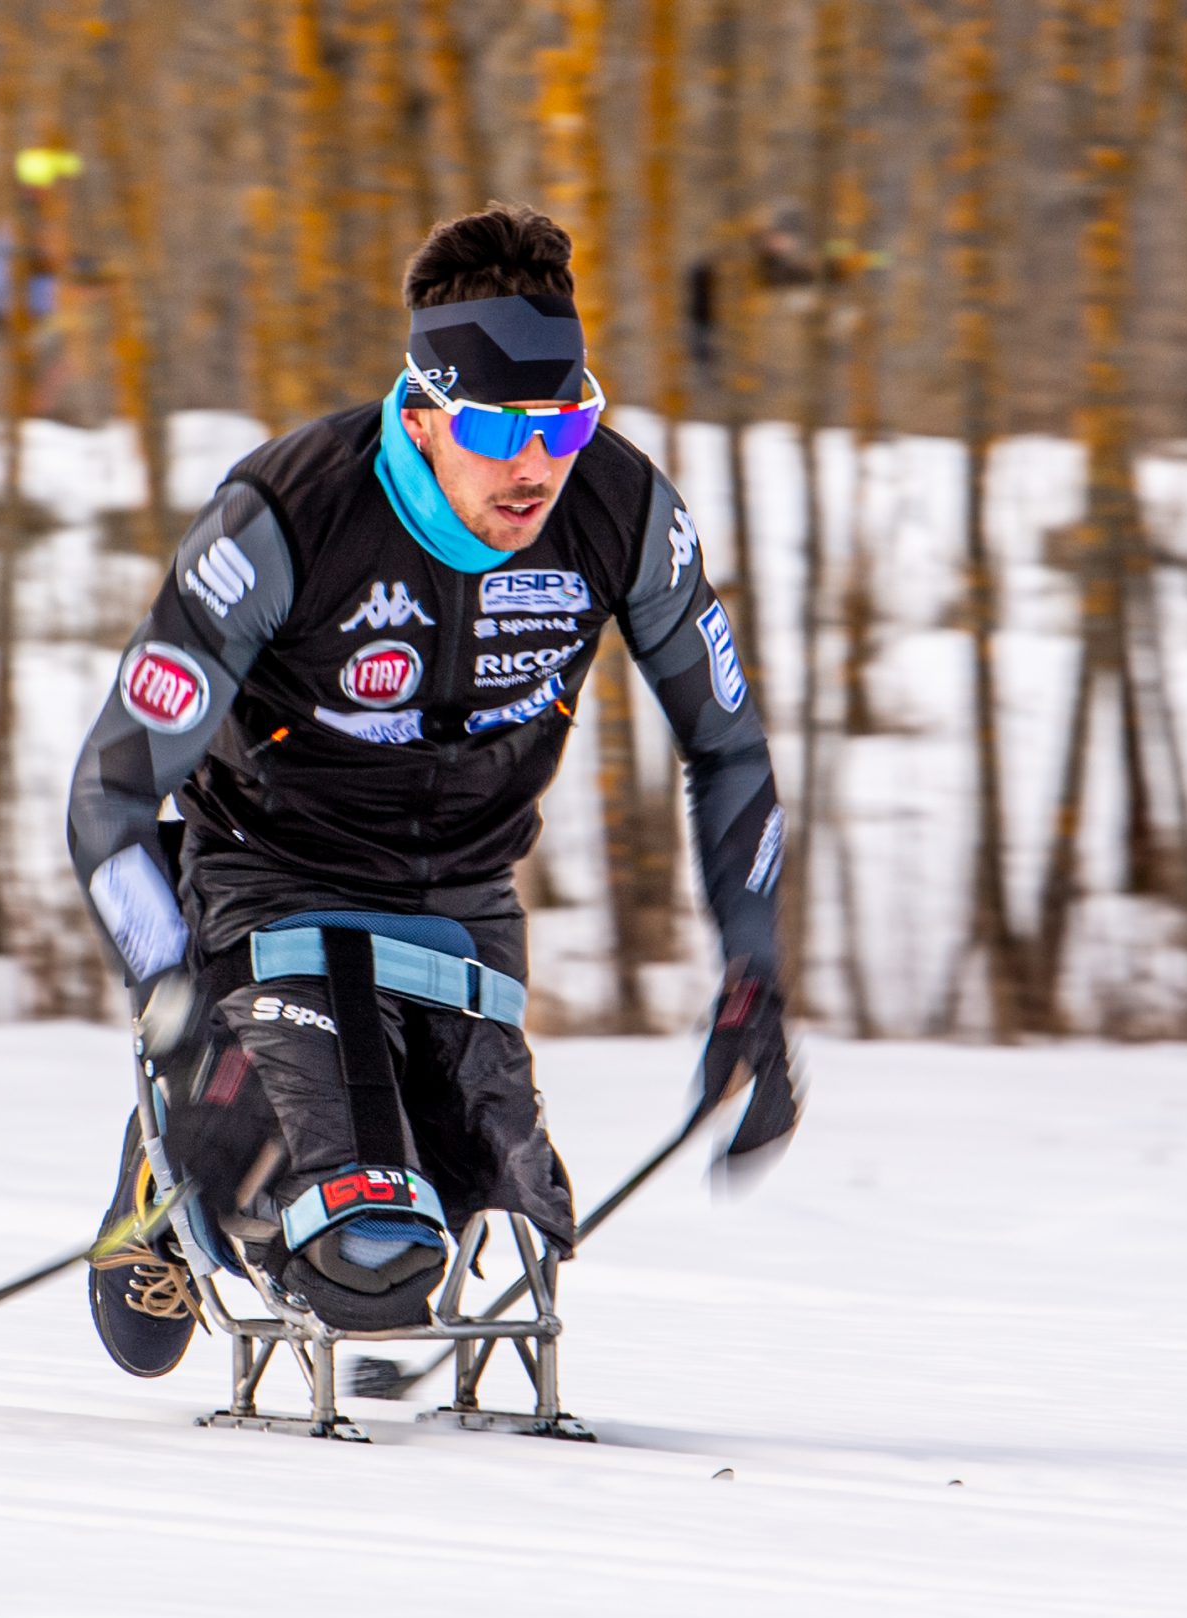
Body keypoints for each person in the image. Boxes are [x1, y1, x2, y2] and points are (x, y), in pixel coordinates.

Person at [64, 203, 799, 1378]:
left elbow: (730, 748)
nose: (536, 467)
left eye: (566, 423)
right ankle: (170, 1158)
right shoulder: (286, 517)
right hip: (272, 887)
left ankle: (336, 1139)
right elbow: (108, 794)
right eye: (501, 428)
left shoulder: (621, 510)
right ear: (421, 412)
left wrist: (752, 973)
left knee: (499, 1231)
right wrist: (168, 999)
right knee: (359, 1249)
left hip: (461, 903)